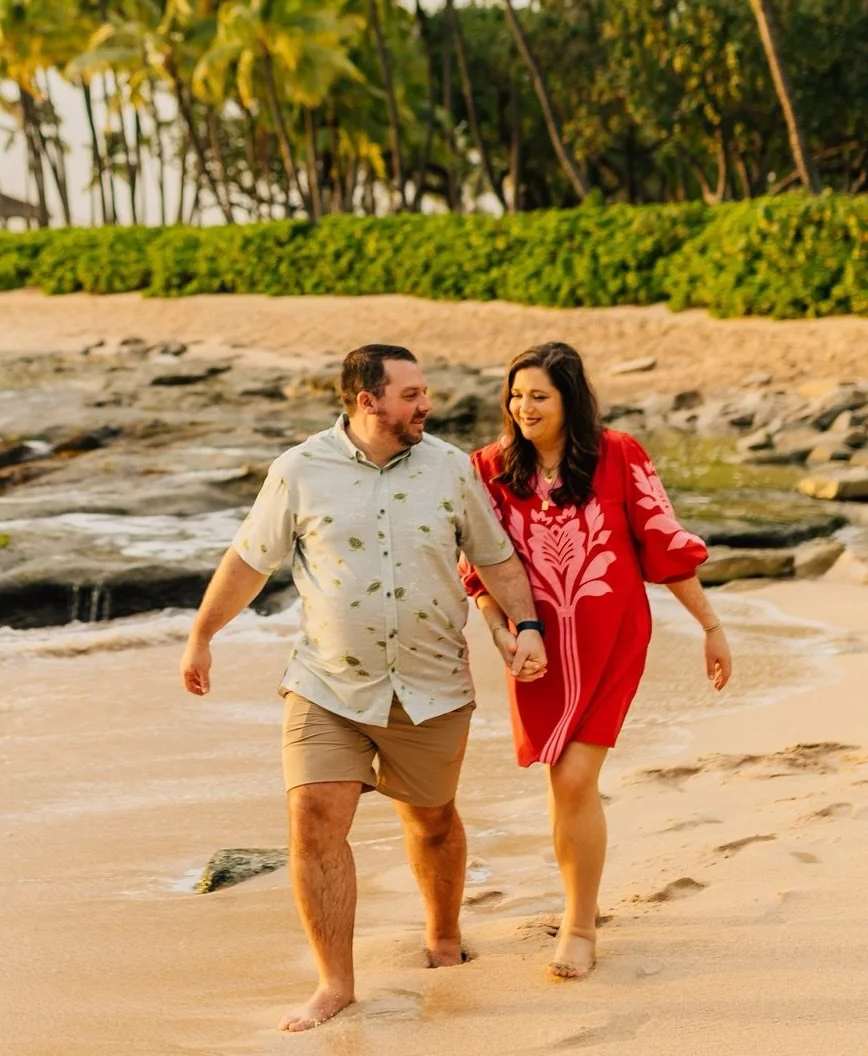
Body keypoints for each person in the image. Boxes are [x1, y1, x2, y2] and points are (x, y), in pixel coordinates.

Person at [180, 343, 548, 1033]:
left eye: (423, 392)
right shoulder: (298, 470)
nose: (426, 404)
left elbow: (495, 557)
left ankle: (443, 934)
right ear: (367, 400)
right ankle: (335, 984)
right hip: (327, 683)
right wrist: (203, 635)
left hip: (432, 682)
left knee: (431, 819)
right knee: (313, 818)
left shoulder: (449, 467)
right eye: (411, 394)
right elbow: (248, 561)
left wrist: (526, 625)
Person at [462, 341, 732, 982]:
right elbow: (480, 567)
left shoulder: (618, 454)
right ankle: (578, 901)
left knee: (576, 777)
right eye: (516, 395)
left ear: (570, 400)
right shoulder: (488, 468)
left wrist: (711, 627)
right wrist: (501, 633)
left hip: (611, 639)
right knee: (562, 779)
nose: (524, 407)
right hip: (536, 647)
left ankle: (579, 926)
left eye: (539, 396)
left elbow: (662, 544)